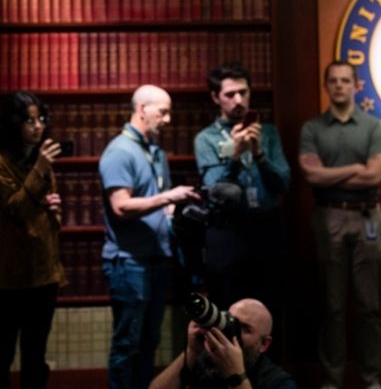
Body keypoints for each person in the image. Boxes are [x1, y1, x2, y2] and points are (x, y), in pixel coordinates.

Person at [101, 84, 200, 389]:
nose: (168, 119)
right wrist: (169, 196)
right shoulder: (119, 151)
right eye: (164, 111)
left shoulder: (156, 152)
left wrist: (176, 212)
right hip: (130, 263)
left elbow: (160, 204)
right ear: (142, 109)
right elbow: (121, 205)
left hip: (157, 260)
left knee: (148, 342)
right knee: (128, 345)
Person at [298, 60, 381, 389]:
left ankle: (371, 379)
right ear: (327, 86)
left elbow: (376, 175)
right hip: (329, 217)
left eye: (345, 80)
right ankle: (332, 380)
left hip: (368, 217)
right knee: (332, 306)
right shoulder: (312, 129)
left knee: (370, 307)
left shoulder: (372, 127)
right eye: (333, 81)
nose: (339, 86)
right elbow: (311, 174)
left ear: (355, 86)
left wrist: (331, 175)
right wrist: (355, 169)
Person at [0, 91, 65, 389]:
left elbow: (47, 214)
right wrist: (40, 168)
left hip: (42, 272)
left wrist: (55, 208)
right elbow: (15, 208)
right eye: (29, 120)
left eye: (41, 119)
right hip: (7, 276)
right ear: (13, 123)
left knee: (35, 355)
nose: (37, 126)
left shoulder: (41, 161)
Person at [193, 62, 291, 315]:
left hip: (267, 227)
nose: (239, 100)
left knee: (270, 306)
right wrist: (235, 157)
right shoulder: (206, 139)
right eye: (230, 94)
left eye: (243, 92)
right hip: (229, 230)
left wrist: (259, 154)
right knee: (227, 306)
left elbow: (282, 183)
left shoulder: (267, 133)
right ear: (216, 98)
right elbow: (217, 193)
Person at [148, 298, 296, 389]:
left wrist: (235, 375)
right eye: (230, 323)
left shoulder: (277, 381)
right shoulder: (204, 363)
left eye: (245, 329)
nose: (233, 333)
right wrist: (191, 351)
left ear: (264, 344)